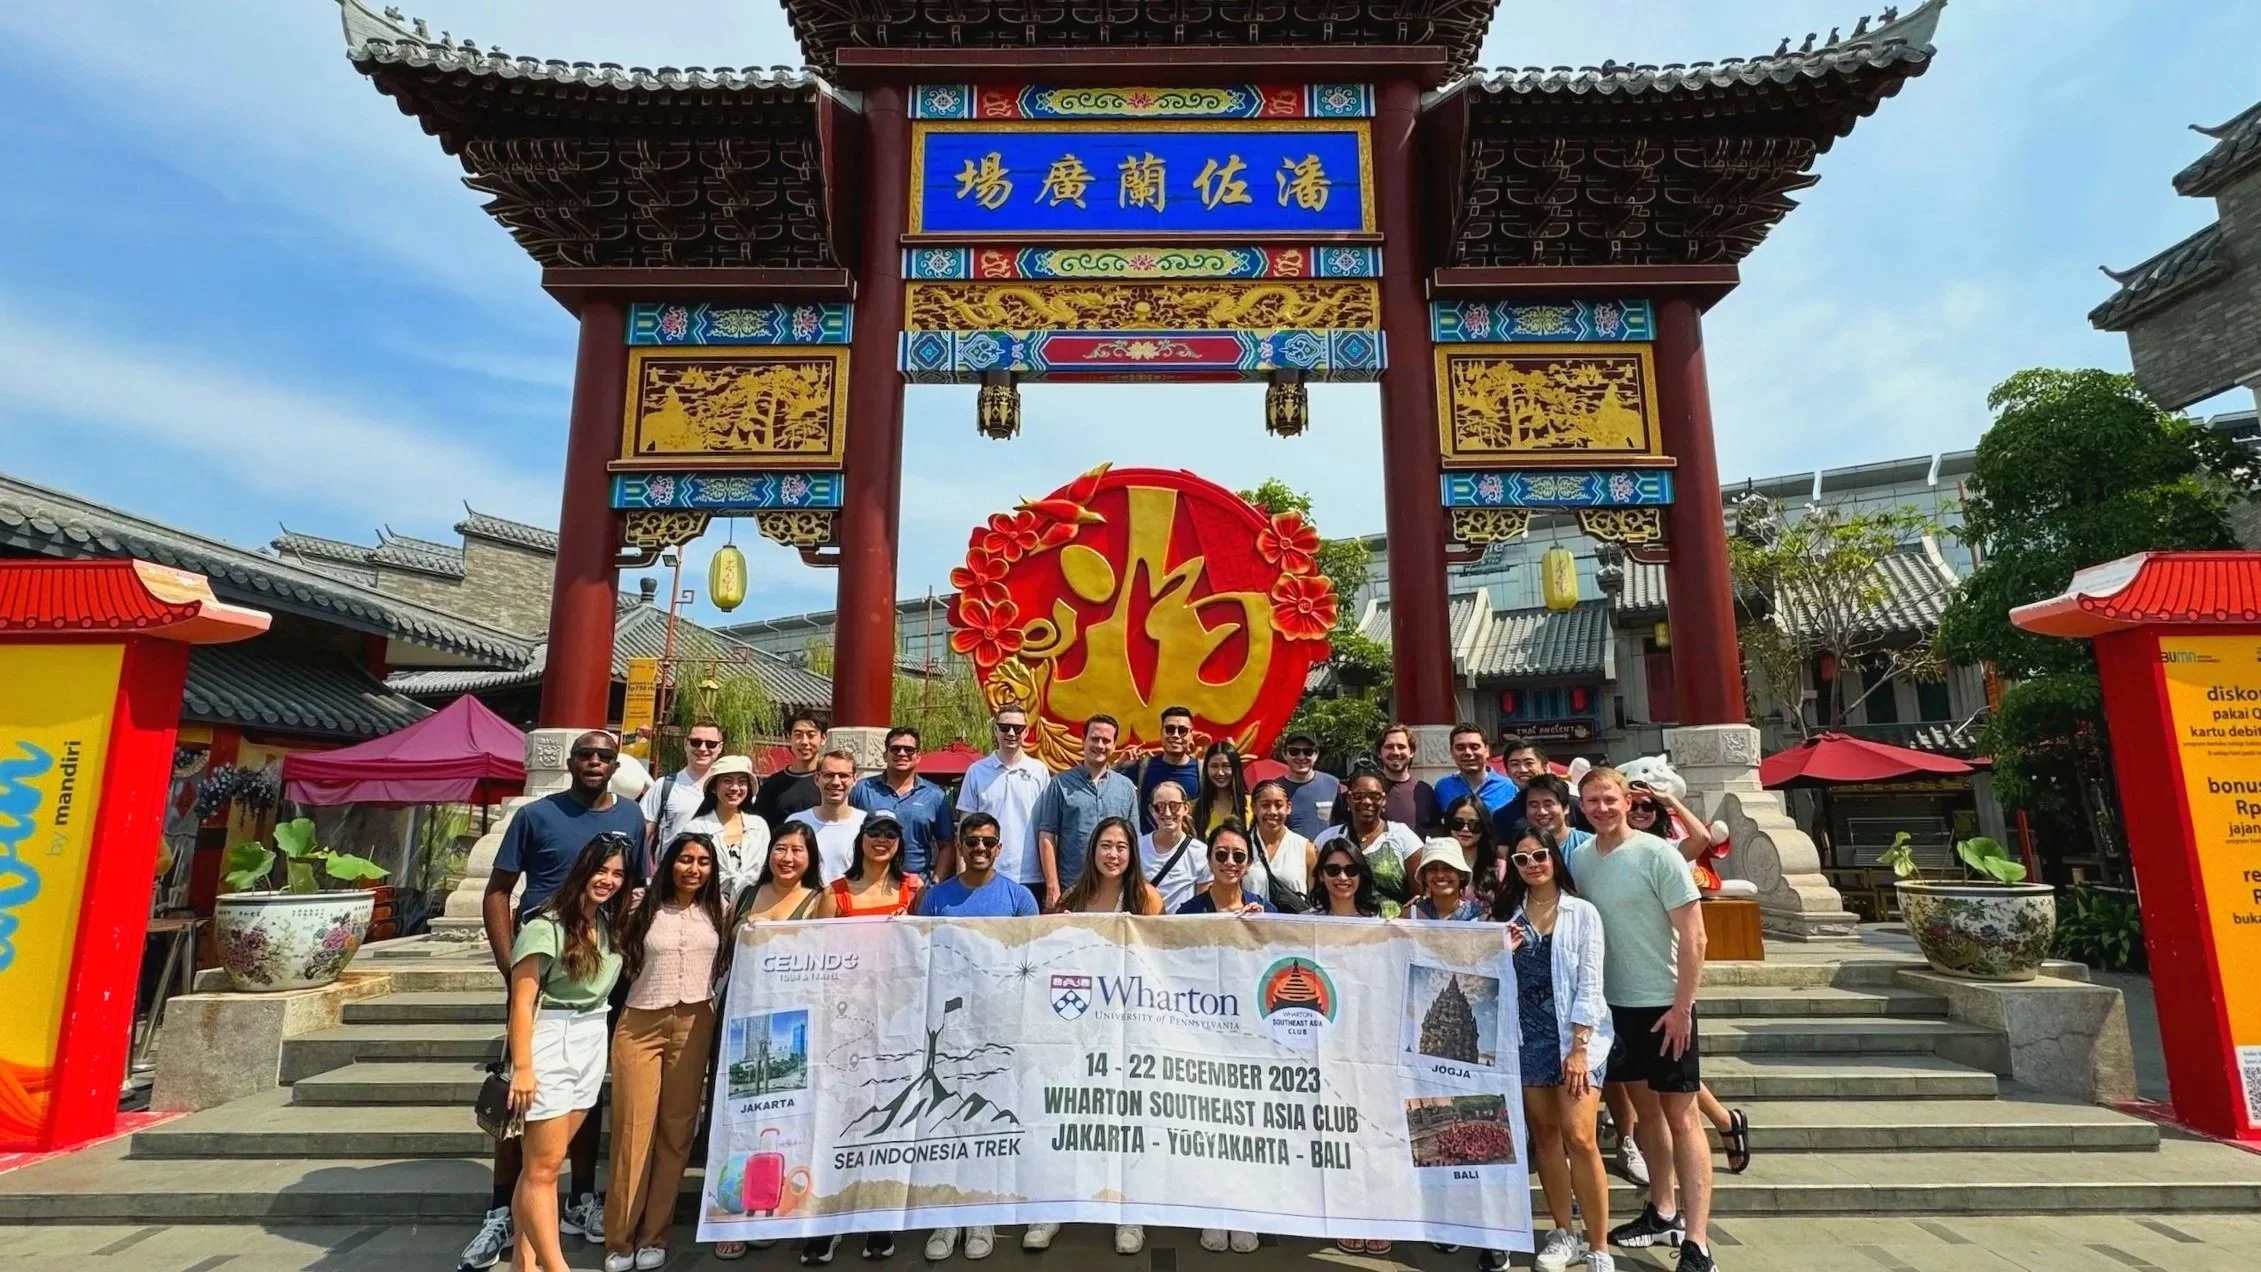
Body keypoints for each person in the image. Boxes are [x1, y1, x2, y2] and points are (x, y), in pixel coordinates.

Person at [465, 732, 644, 1270]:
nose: (594, 763)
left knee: (571, 1120)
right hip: (544, 979)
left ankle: (573, 1205)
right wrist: (512, 964)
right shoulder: (536, 816)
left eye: (604, 757)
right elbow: (497, 891)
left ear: (617, 765)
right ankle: (504, 1210)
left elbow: (633, 884)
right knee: (525, 1122)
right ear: (569, 762)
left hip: (591, 993)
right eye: (585, 755)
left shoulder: (632, 817)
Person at [1573, 768, 1714, 1272]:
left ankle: (1697, 1241)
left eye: (1608, 799)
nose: (1601, 809)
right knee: (1646, 1113)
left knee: (1682, 1116)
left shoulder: (1658, 853)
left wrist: (1683, 1007)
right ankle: (1662, 1207)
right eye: (1591, 801)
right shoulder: (1581, 858)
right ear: (1583, 806)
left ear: (1625, 798)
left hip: (1662, 1005)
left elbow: (1695, 937)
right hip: (1611, 1008)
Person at [1023, 816, 1157, 1256]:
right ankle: (1056, 1204)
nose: (1113, 854)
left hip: (1131, 1025)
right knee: (1072, 1116)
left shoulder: (1148, 899)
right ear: (1092, 850)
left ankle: (1127, 1210)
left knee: (1126, 1118)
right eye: (1105, 845)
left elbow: (1162, 962)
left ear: (1131, 853)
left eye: (1121, 846)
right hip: (1077, 1026)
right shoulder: (1071, 899)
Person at [503, 832, 630, 1272]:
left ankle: (525, 1258)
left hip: (592, 1037)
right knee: (544, 1169)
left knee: (541, 1164)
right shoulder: (546, 925)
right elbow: (521, 1001)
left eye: (617, 874)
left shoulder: (606, 926)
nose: (608, 880)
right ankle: (557, 1266)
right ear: (582, 870)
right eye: (601, 870)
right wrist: (522, 1066)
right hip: (550, 1039)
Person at [604, 833, 727, 1272]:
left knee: (676, 1133)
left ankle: (655, 1235)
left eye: (703, 862)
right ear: (669, 862)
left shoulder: (719, 910)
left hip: (694, 1023)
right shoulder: (639, 904)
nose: (693, 869)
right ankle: (619, 1238)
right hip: (641, 1021)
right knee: (633, 1131)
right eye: (685, 860)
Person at [1494, 828, 1615, 1272]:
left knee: (1580, 1136)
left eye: (1540, 855)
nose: (1532, 865)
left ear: (1554, 858)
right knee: (1544, 1136)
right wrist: (1499, 951)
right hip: (1526, 1038)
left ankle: (1599, 1246)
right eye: (1522, 860)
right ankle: (1564, 1231)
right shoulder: (1509, 915)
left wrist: (1580, 1048)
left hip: (1575, 1039)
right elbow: (1489, 975)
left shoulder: (1582, 913)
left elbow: (1590, 982)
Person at [919, 811, 1037, 1264]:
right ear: (961, 845)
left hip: (999, 1026)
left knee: (988, 1119)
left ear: (1000, 847)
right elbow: (920, 959)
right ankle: (945, 1215)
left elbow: (1032, 964)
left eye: (989, 842)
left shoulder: (1019, 898)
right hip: (947, 1027)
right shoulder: (937, 898)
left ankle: (981, 1214)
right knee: (944, 1120)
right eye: (973, 842)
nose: (981, 849)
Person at [709, 825, 828, 1264]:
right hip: (741, 1019)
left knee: (784, 1120)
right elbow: (721, 949)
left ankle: (773, 1206)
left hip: (792, 1028)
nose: (788, 857)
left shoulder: (820, 900)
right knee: (736, 1114)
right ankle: (735, 1211)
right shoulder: (745, 895)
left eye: (798, 850)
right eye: (781, 848)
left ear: (810, 857)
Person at [1621, 787, 1749, 1176]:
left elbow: (1703, 839)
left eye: (1648, 807)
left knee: (1675, 1089)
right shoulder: (1601, 852)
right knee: (1656, 1081)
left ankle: (1724, 1126)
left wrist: (1670, 800)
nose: (1641, 811)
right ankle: (1726, 1121)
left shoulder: (1666, 853)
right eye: (1635, 805)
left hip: (1663, 978)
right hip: (1622, 977)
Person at [1033, 714, 1138, 911]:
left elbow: (1134, 840)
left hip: (1116, 892)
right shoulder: (1060, 784)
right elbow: (1047, 835)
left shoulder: (1126, 788)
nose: (1100, 745)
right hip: (1072, 888)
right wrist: (1052, 885)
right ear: (1083, 740)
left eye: (1106, 740)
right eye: (1095, 738)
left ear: (1114, 745)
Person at [956, 704, 1052, 903]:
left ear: (1026, 732)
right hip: (985, 873)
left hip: (1030, 876)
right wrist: (961, 877)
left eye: (1017, 728)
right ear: (995, 729)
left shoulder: (1039, 771)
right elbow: (964, 829)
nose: (1011, 733)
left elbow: (1048, 829)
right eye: (1004, 727)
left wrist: (1051, 881)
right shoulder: (976, 771)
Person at [849, 726, 956, 881]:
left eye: (909, 750)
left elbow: (947, 845)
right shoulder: (862, 789)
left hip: (915, 883)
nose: (902, 753)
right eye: (895, 749)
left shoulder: (935, 796)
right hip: (867, 880)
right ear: (885, 755)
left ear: (918, 756)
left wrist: (935, 883)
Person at [1313, 770, 1422, 905]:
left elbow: (1419, 896)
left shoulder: (1403, 837)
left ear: (1383, 800)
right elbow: (1316, 888)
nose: (1366, 801)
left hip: (1391, 923)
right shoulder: (1327, 838)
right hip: (1342, 922)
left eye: (1375, 796)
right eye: (1359, 796)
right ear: (1349, 800)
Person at [684, 755, 768, 904]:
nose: (735, 788)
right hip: (704, 906)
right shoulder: (696, 828)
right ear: (713, 788)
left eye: (742, 782)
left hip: (751, 907)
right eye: (727, 781)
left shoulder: (759, 826)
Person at [1332, 723, 1439, 834]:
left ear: (1411, 752)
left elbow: (1435, 830)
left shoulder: (1424, 791)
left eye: (1401, 747)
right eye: (1389, 747)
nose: (1396, 752)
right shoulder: (1364, 791)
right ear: (1379, 753)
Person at [641, 720, 724, 853]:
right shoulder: (663, 786)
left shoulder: (730, 791)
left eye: (711, 744)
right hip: (668, 872)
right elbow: (642, 838)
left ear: (720, 747)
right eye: (696, 742)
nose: (703, 749)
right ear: (686, 744)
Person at [824, 810, 925, 918]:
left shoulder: (914, 887)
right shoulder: (834, 893)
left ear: (899, 842)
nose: (881, 839)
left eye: (890, 834)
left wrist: (908, 924)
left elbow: (925, 932)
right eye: (874, 833)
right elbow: (821, 934)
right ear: (861, 838)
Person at [785, 750, 866, 883]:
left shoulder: (865, 823)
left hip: (851, 900)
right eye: (829, 775)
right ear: (817, 779)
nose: (836, 782)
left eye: (843, 775)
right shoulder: (796, 822)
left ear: (855, 780)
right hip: (807, 901)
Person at [1121, 704, 1204, 833]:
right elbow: (1106, 787)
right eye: (1170, 729)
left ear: (1191, 735)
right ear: (1161, 733)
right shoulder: (1143, 768)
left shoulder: (1202, 771)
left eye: (1182, 730)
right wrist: (1119, 765)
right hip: (1148, 850)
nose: (1176, 735)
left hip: (1189, 849)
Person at [1135, 781, 1206, 914]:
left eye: (1174, 806)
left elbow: (1202, 903)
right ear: (1151, 810)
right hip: (1144, 928)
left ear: (1186, 808)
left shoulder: (1200, 853)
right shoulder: (1137, 848)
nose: (1167, 813)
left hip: (1183, 929)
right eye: (1160, 807)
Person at [1176, 820, 1274, 916]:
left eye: (1238, 856)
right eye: (1221, 855)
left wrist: (1261, 925)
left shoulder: (1266, 911)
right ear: (1209, 860)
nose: (1230, 862)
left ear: (1248, 863)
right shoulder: (1189, 913)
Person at [1247, 778, 1315, 912]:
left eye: (1278, 805)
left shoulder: (1305, 848)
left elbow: (1316, 899)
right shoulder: (1241, 846)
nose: (1272, 811)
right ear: (1254, 808)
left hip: (1293, 928)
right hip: (1251, 928)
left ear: (1288, 807)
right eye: (1265, 805)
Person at [752, 712, 826, 831]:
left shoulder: (831, 781)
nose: (804, 742)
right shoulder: (772, 785)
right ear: (789, 737)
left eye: (811, 735)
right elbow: (761, 829)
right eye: (798, 735)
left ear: (823, 739)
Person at [1432, 722, 1517, 815]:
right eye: (1460, 747)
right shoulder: (1443, 787)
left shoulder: (1508, 788)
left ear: (1487, 750)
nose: (1468, 752)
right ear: (1452, 752)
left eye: (1474, 747)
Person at [1275, 730, 1341, 839]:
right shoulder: (1275, 789)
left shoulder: (1332, 784)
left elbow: (1341, 822)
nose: (1301, 757)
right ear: (1284, 754)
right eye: (1294, 751)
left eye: (1308, 752)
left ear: (1316, 754)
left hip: (1325, 853)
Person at [1310, 840, 1400, 920]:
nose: (1342, 877)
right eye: (1333, 870)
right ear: (1321, 875)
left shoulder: (1378, 922)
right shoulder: (1304, 921)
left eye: (1351, 870)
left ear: (1361, 875)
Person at [1442, 794, 1501, 907]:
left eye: (1474, 825)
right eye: (1458, 823)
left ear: (1484, 827)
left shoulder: (1499, 867)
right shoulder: (1435, 863)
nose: (1465, 829)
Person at [1407, 837, 1486, 921]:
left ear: (1461, 874)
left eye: (1448, 868)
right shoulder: (1409, 916)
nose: (1440, 875)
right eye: (1432, 869)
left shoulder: (1479, 919)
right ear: (1424, 876)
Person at [1190, 739, 1250, 840]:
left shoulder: (1252, 805)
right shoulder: (1193, 809)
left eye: (1226, 766)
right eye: (1214, 766)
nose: (1220, 773)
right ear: (1206, 769)